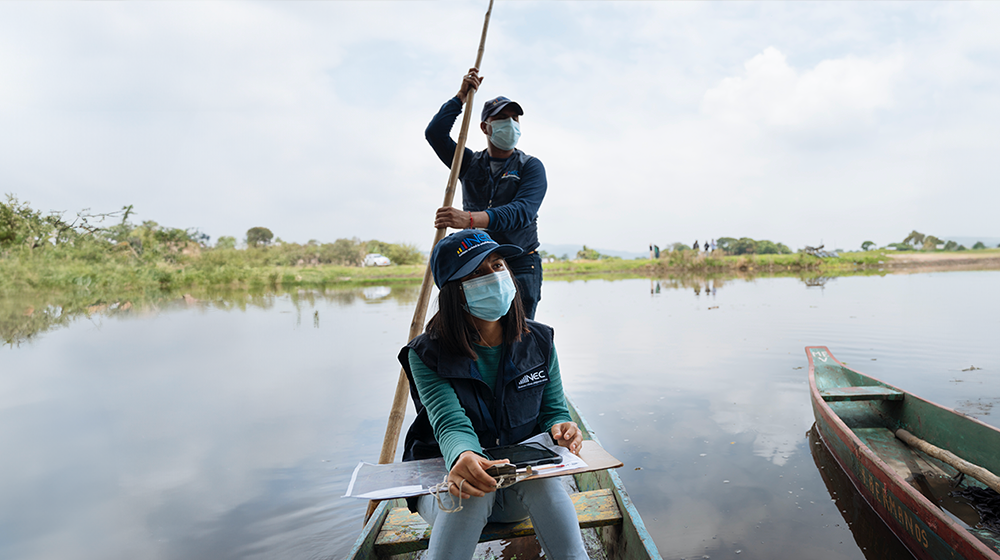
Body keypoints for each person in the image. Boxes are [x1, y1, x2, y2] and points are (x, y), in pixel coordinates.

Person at [399, 229, 586, 559]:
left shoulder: (539, 341)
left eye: (498, 265)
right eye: (476, 273)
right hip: (447, 486)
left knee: (539, 480)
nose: (494, 277)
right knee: (471, 488)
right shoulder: (426, 354)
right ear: (455, 292)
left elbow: (554, 409)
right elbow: (450, 423)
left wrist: (563, 426)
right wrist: (463, 458)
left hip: (518, 488)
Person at [426, 68, 546, 319]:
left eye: (515, 118)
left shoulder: (530, 166)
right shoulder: (468, 162)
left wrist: (468, 219)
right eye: (502, 118)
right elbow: (435, 133)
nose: (511, 124)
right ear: (485, 127)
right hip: (478, 263)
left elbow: (522, 212)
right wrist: (460, 97)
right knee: (478, 331)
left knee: (520, 332)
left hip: (522, 261)